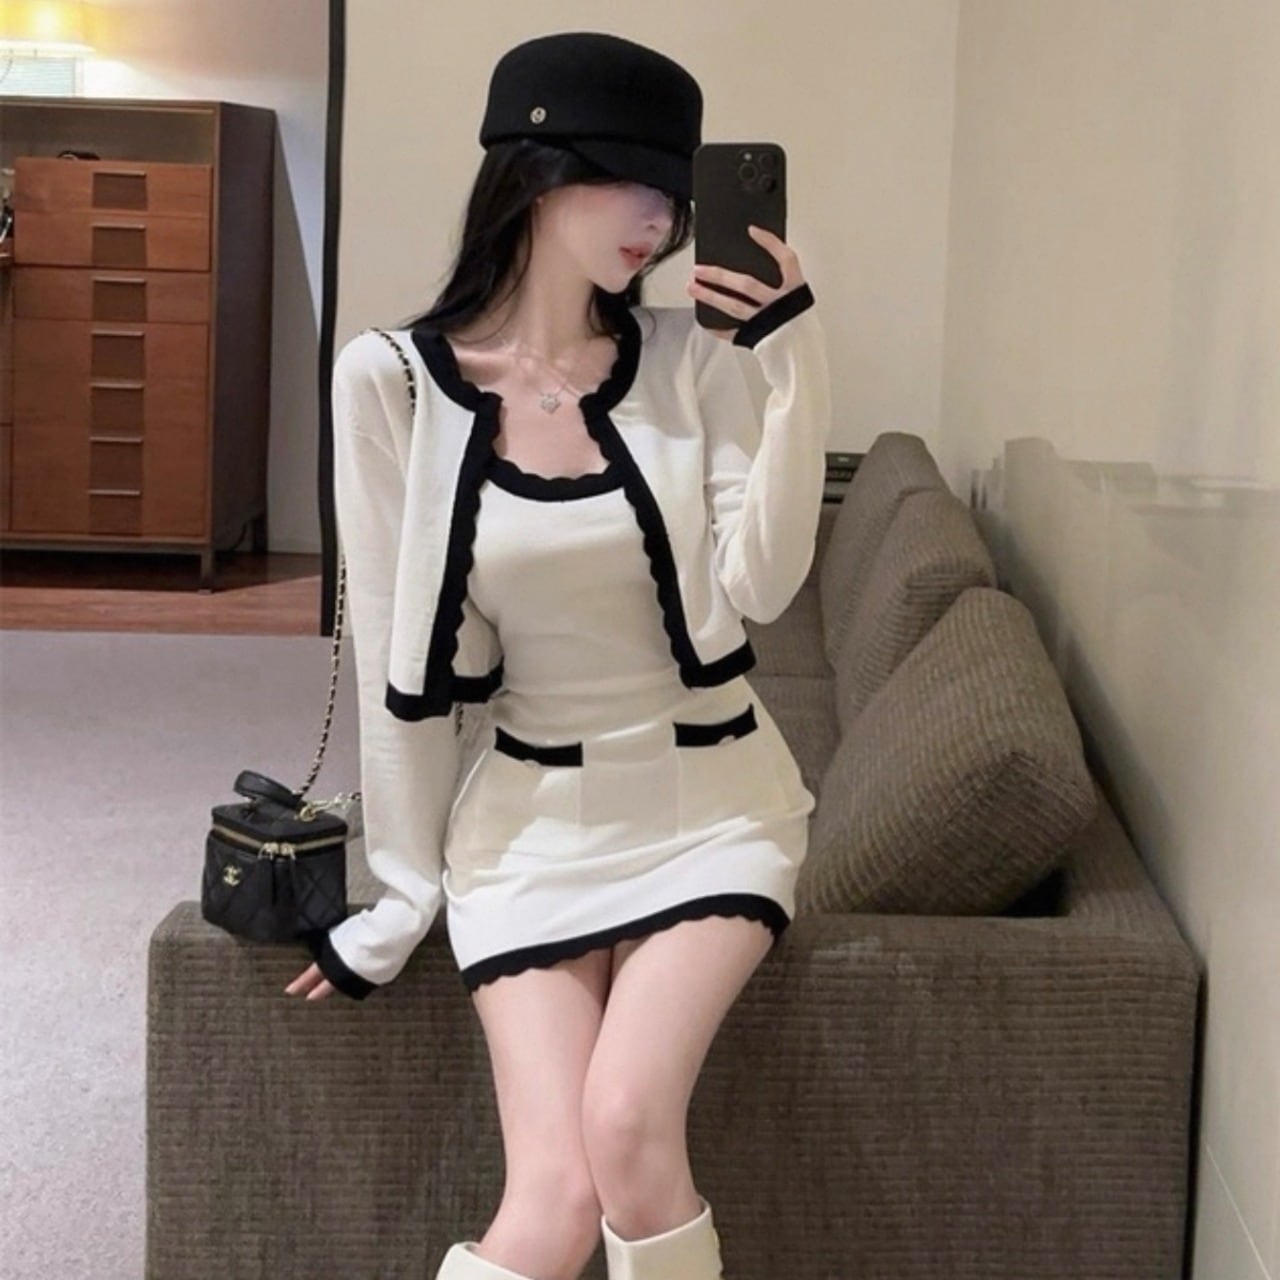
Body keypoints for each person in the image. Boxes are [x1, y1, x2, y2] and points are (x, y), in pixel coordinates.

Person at [284, 29, 831, 1280]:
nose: (661, 220)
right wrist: (400, 891)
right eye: (632, 180)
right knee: (551, 1198)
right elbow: (397, 663)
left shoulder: (690, 358)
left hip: (713, 806)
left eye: (676, 194)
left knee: (629, 1126)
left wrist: (794, 366)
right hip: (526, 829)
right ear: (535, 172)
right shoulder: (390, 384)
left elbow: (759, 584)